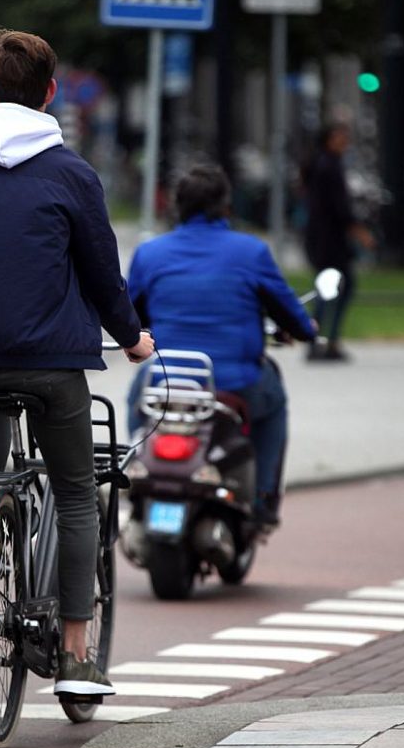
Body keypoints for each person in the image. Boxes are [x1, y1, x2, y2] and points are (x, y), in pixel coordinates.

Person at [0, 29, 153, 697]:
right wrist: (132, 337)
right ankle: (76, 654)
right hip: (52, 364)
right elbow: (105, 279)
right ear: (50, 94)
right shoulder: (73, 174)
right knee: (78, 492)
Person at [126, 164, 316, 532]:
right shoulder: (251, 252)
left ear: (177, 207)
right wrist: (305, 329)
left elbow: (130, 317)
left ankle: (136, 473)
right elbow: (288, 309)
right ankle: (262, 499)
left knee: (137, 399)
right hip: (234, 383)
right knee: (273, 404)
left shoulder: (150, 254)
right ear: (225, 207)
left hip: (168, 381)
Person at [301, 122, 374, 361]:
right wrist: (359, 232)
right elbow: (339, 208)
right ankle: (323, 340)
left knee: (331, 288)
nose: (345, 140)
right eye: (339, 136)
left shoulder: (322, 164)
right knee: (333, 289)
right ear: (328, 139)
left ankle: (322, 340)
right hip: (329, 241)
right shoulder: (328, 167)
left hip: (322, 239)